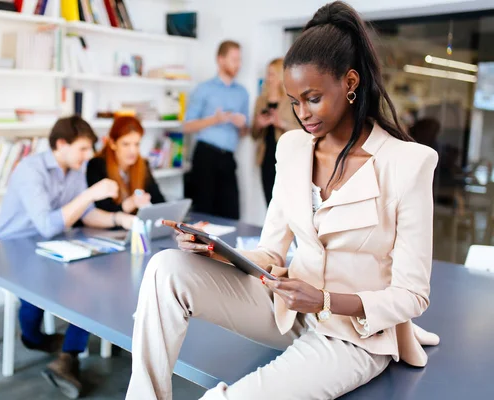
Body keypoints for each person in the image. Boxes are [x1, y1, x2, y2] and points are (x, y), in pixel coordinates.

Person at [126, 2, 440, 399]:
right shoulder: (292, 148)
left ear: (350, 82)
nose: (302, 114)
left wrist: (324, 299)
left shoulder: (409, 163)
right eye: (294, 101)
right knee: (165, 267)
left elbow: (413, 296)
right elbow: (271, 251)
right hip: (288, 309)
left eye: (312, 98)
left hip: (354, 336)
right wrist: (218, 253)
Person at [0, 115, 134, 399]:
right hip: (11, 245)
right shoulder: (30, 170)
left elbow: (85, 213)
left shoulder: (75, 168)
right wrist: (91, 193)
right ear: (61, 144)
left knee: (90, 279)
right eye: (82, 149)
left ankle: (68, 358)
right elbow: (47, 223)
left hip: (49, 244)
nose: (88, 155)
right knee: (38, 289)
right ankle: (34, 338)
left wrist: (119, 217)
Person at [183, 40, 249, 220]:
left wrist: (242, 125)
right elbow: (187, 126)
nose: (239, 64)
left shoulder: (242, 92)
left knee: (231, 213)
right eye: (234, 59)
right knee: (203, 213)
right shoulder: (204, 89)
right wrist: (215, 119)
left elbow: (245, 132)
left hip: (227, 158)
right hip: (205, 156)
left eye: (239, 60)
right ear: (221, 60)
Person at [86, 115, 165, 213]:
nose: (133, 151)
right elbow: (99, 211)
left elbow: (159, 202)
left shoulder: (143, 164)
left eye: (137, 144)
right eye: (126, 144)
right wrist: (128, 205)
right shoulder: (97, 165)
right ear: (112, 143)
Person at [252, 57, 300, 206]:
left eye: (272, 74)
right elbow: (254, 134)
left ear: (281, 75)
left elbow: (304, 131)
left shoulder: (293, 100)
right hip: (266, 158)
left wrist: (282, 123)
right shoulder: (261, 100)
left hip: (287, 158)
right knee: (270, 203)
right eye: (268, 74)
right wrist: (259, 124)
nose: (268, 78)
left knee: (287, 204)